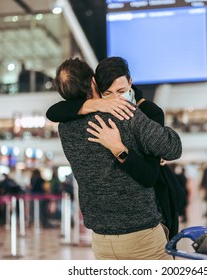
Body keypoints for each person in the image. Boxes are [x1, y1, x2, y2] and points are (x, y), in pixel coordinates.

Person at [52, 57, 182, 260]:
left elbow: (54, 111)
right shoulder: (125, 113)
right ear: (94, 82)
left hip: (101, 238)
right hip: (141, 234)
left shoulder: (65, 128)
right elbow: (173, 148)